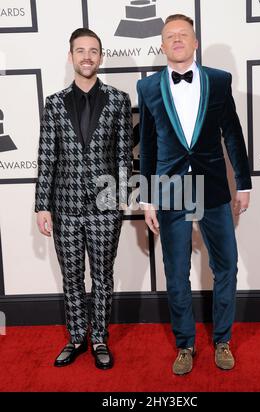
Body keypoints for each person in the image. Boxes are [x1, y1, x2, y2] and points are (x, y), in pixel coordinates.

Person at [137, 14, 252, 375]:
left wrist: (244, 183)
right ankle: (185, 345)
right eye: (169, 36)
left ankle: (222, 340)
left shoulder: (219, 81)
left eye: (182, 34)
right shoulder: (149, 87)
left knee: (226, 266)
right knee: (175, 272)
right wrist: (147, 197)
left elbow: (232, 133)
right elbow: (148, 145)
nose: (176, 40)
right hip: (171, 189)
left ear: (195, 41)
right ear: (162, 44)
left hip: (213, 186)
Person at [35, 28, 133, 370]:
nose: (87, 56)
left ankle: (100, 339)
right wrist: (42, 205)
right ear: (71, 56)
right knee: (72, 276)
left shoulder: (119, 100)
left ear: (101, 57)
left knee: (103, 276)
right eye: (81, 51)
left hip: (105, 208)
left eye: (93, 51)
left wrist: (120, 196)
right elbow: (47, 157)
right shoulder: (54, 103)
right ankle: (77, 338)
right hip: (64, 208)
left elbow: (124, 154)